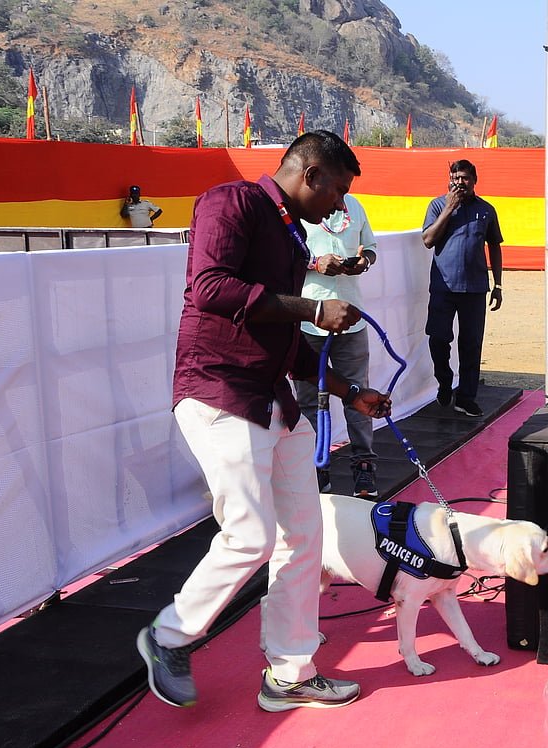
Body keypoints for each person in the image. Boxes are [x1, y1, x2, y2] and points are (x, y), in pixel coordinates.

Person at [137, 131, 391, 713]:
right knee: (251, 534)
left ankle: (291, 674)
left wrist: (351, 393)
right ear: (311, 174)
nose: (341, 205)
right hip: (220, 391)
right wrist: (313, 307)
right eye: (338, 190)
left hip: (274, 400)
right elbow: (210, 288)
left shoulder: (292, 235)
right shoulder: (230, 202)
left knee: (304, 537)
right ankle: (168, 635)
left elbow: (287, 339)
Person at [293, 191, 380, 499]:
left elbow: (370, 248)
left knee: (358, 394)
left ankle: (364, 467)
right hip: (309, 319)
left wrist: (363, 262)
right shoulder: (299, 207)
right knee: (309, 400)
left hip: (352, 318)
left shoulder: (354, 205)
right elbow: (285, 256)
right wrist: (316, 263)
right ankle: (318, 467)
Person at [421, 159, 503, 418]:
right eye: (455, 178)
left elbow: (495, 246)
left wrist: (498, 284)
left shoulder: (486, 210)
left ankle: (466, 398)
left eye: (465, 178)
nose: (459, 183)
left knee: (471, 344)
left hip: (475, 289)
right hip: (443, 287)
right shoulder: (437, 205)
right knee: (438, 338)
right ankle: (445, 382)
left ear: (474, 180)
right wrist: (449, 208)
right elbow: (428, 240)